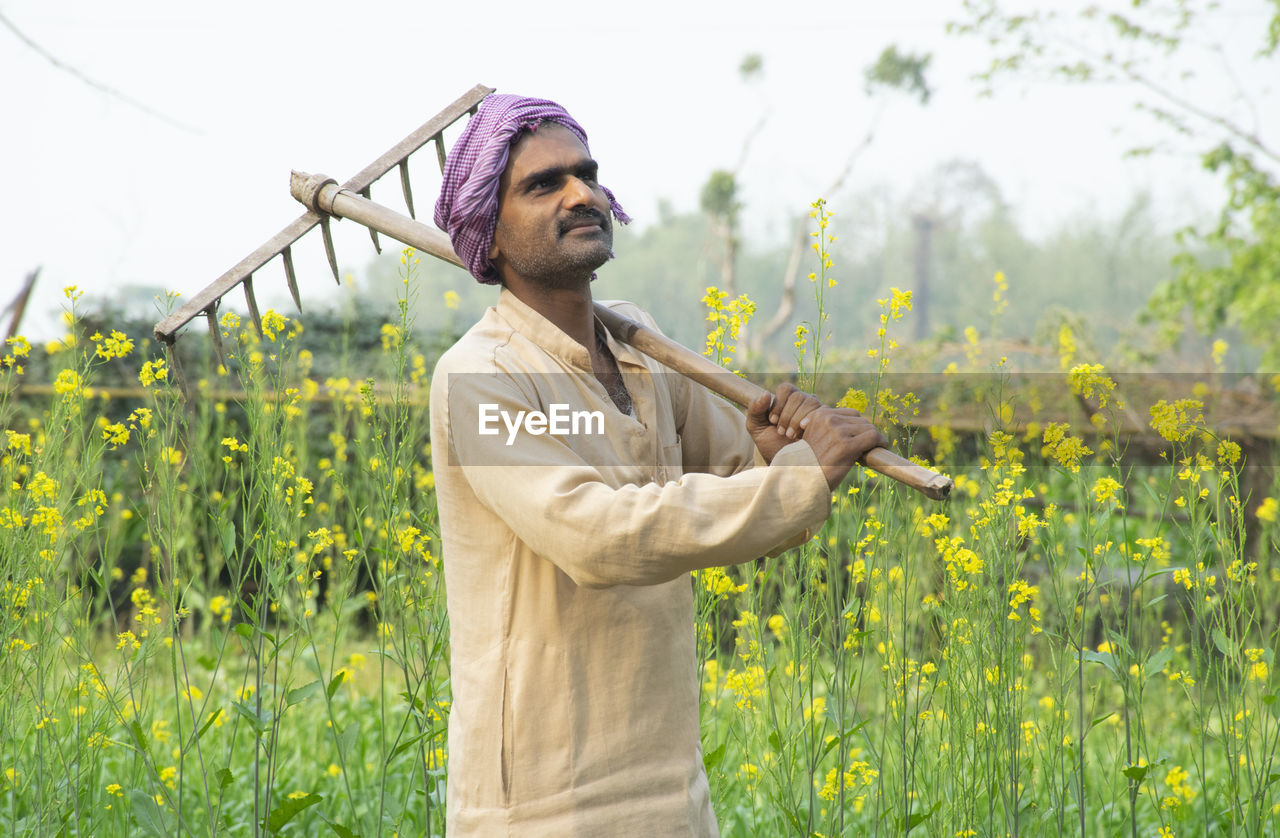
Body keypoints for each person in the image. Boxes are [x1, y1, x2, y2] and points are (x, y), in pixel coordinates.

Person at [429, 94, 887, 837]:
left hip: (669, 787)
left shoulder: (640, 347)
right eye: (544, 185)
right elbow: (599, 536)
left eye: (587, 175)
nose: (582, 194)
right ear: (493, 235)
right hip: (543, 804)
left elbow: (739, 482)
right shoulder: (481, 376)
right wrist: (797, 480)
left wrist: (777, 457)